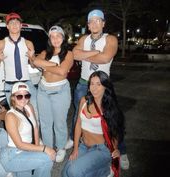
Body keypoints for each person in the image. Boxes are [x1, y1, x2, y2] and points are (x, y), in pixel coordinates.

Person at [67, 9, 129, 169]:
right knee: (78, 115)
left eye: (97, 20)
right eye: (91, 21)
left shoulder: (111, 39)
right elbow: (74, 55)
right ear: (87, 25)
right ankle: (78, 144)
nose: (94, 23)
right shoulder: (83, 38)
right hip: (83, 84)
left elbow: (106, 57)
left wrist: (84, 54)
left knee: (112, 119)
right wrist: (95, 52)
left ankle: (120, 150)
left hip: (102, 84)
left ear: (103, 23)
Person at [62, 71, 125, 177]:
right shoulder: (84, 100)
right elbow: (78, 124)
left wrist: (116, 149)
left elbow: (116, 129)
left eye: (98, 84)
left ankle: (105, 171)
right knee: (65, 173)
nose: (94, 88)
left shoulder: (109, 107)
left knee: (74, 172)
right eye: (92, 84)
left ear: (105, 86)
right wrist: (76, 148)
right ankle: (102, 171)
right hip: (83, 146)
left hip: (101, 149)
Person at [29, 25, 73, 163]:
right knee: (45, 123)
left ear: (63, 37)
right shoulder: (45, 52)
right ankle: (48, 147)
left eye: (58, 36)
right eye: (52, 36)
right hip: (43, 91)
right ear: (49, 39)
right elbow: (35, 61)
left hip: (60, 91)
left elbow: (62, 72)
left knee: (59, 123)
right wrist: (55, 66)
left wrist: (45, 65)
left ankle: (61, 148)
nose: (55, 39)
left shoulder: (68, 54)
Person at [0, 82, 55, 177]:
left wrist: (37, 149)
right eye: (19, 96)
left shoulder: (29, 107)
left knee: (43, 160)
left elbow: (35, 128)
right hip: (14, 155)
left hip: (27, 149)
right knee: (47, 158)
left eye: (27, 95)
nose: (24, 99)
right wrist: (44, 149)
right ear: (13, 97)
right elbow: (19, 145)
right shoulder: (11, 116)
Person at [0, 12, 38, 115]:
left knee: (34, 114)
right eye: (11, 22)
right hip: (10, 85)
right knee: (16, 116)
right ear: (7, 26)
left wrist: (32, 58)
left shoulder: (28, 43)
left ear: (21, 25)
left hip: (27, 83)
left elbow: (33, 65)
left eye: (17, 22)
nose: (14, 25)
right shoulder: (1, 43)